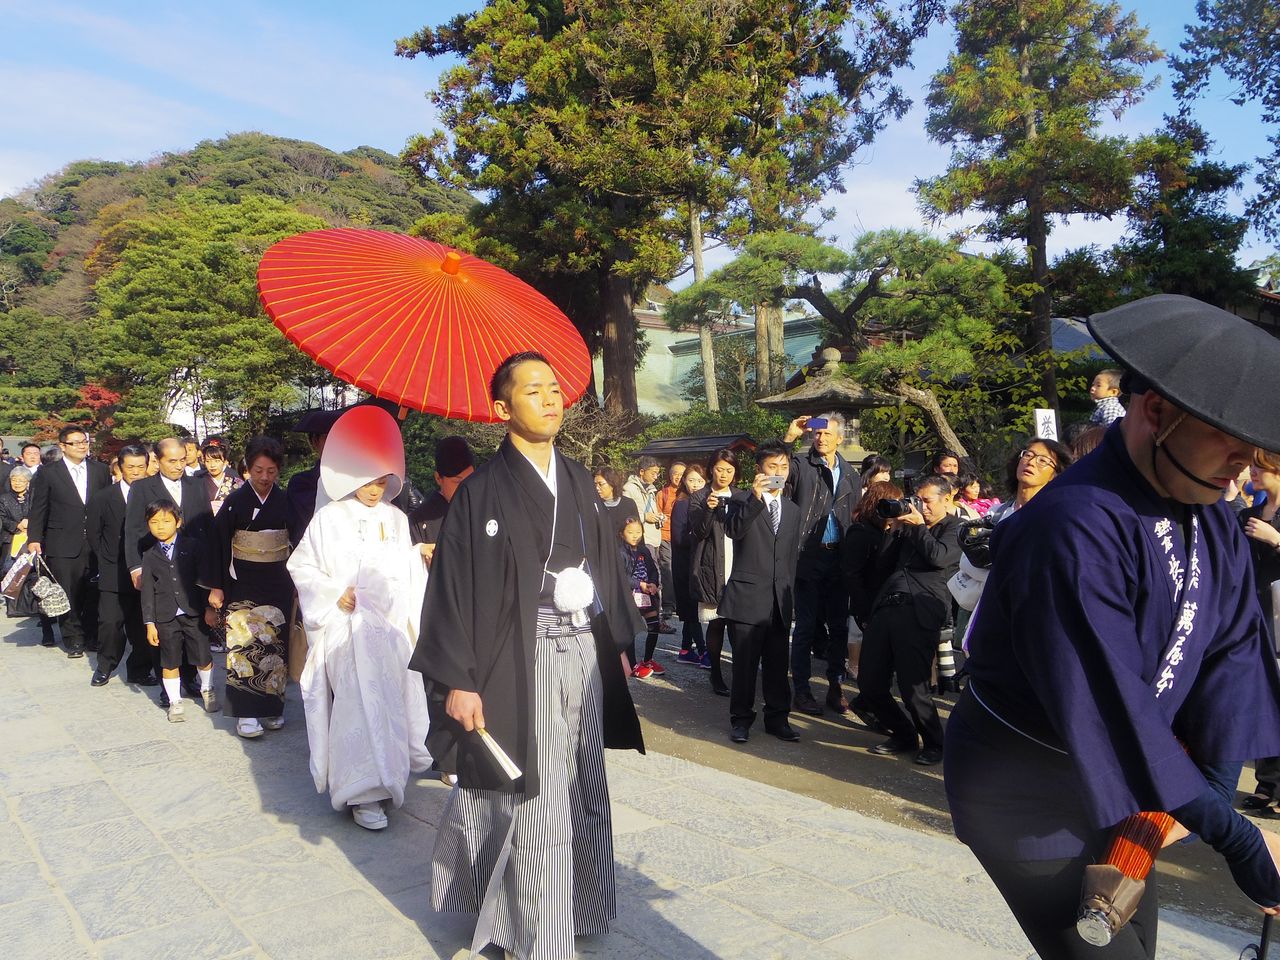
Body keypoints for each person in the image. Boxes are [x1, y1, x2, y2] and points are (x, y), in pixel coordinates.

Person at [945, 294, 1280, 959]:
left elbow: (1233, 651)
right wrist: (1234, 836)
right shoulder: (1072, 525)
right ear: (1155, 411)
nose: (1244, 461)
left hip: (1133, 785)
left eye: (1255, 447)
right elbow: (1107, 701)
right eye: (1227, 438)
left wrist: (1212, 787)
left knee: (1137, 948)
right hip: (1028, 791)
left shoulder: (1209, 507)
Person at [412, 351, 643, 960]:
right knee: (533, 794)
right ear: (501, 409)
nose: (549, 399)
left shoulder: (577, 478)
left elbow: (607, 571)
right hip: (519, 657)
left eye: (554, 389)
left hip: (583, 654)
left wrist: (615, 643)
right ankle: (533, 934)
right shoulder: (480, 492)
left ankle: (581, 906)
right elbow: (453, 589)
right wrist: (458, 679)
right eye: (532, 389)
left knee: (583, 781)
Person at [288, 406, 433, 831]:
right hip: (347, 631)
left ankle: (389, 782)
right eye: (367, 480)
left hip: (387, 631)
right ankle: (360, 792)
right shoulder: (328, 519)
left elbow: (402, 573)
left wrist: (415, 558)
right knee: (354, 706)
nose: (375, 489)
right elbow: (303, 567)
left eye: (381, 480)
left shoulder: (397, 518)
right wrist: (337, 593)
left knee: (388, 705)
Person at [849, 475, 961, 765]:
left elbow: (938, 558)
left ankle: (935, 742)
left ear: (947, 499)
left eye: (927, 501)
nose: (920, 507)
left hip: (921, 610)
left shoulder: (956, 528)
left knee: (914, 687)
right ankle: (903, 733)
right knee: (870, 683)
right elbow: (882, 565)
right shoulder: (908, 528)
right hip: (887, 606)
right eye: (918, 500)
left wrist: (919, 528)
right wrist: (895, 529)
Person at [206, 436, 296, 739]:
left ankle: (271, 707)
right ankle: (245, 713)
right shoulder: (235, 502)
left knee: (275, 645)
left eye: (271, 471)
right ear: (247, 467)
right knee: (244, 644)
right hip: (242, 580)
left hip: (278, 580)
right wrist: (216, 587)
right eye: (258, 470)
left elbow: (297, 543)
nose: (264, 477)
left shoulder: (285, 501)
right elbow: (218, 545)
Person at [719, 440, 801, 744]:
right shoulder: (741, 500)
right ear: (759, 470)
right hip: (747, 598)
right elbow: (733, 531)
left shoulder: (792, 510)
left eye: (783, 466)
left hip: (779, 600)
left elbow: (791, 557)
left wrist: (791, 597)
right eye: (772, 467)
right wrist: (755, 498)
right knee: (744, 665)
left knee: (778, 665)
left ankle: (778, 718)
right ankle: (740, 720)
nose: (778, 472)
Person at [780, 413, 861, 717]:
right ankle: (801, 690)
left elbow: (854, 517)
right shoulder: (801, 465)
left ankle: (835, 687)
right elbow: (774, 471)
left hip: (838, 558)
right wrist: (789, 437)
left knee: (839, 627)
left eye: (827, 434)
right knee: (805, 626)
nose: (821, 438)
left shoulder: (852, 474)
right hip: (807, 556)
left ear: (840, 437)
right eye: (817, 433)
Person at [124, 437, 214, 703]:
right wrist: (135, 567)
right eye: (171, 461)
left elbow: (206, 526)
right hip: (158, 566)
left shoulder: (196, 484)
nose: (178, 466)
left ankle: (190, 678)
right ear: (158, 460)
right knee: (165, 630)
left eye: (182, 460)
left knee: (192, 625)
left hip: (191, 568)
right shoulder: (142, 488)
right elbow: (132, 531)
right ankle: (168, 687)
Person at [26, 426, 111, 657]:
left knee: (94, 591)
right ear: (62, 446)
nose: (82, 446)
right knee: (68, 591)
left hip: (95, 541)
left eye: (85, 441)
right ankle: (73, 638)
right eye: (76, 442)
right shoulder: (48, 473)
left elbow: (107, 506)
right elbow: (39, 508)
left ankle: (92, 635)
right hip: (61, 541)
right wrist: (34, 538)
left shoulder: (100, 470)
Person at [139, 499, 216, 722]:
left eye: (166, 521)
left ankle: (207, 688)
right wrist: (149, 623)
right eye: (154, 522)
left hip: (193, 611)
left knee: (202, 655)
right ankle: (174, 701)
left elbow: (204, 580)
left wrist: (209, 608)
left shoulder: (193, 546)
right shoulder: (149, 555)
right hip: (165, 616)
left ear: (178, 521)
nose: (160, 526)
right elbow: (147, 593)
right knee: (169, 660)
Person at [87, 444, 157, 687]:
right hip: (113, 570)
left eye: (141, 466)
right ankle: (105, 666)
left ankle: (139, 669)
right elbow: (94, 535)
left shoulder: (156, 495)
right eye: (130, 467)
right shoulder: (103, 497)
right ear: (120, 467)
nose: (136, 471)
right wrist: (107, 559)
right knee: (109, 622)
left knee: (142, 624)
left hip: (147, 568)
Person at [1239, 449, 1280, 814]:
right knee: (1262, 699)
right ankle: (1268, 784)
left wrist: (1275, 539)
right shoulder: (1248, 515)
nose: (1251, 471)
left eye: (1258, 466)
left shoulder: (1269, 522)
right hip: (1254, 616)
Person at [689, 449, 745, 696]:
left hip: (739, 565)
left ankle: (742, 673)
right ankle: (716, 674)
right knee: (716, 623)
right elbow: (699, 532)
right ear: (711, 468)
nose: (724, 474)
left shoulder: (742, 497)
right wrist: (709, 508)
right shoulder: (699, 497)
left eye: (729, 470)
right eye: (720, 469)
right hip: (711, 566)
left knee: (738, 625)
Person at [842, 480, 904, 686]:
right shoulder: (860, 532)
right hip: (869, 603)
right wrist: (864, 610)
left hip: (886, 602)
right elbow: (853, 574)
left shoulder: (888, 531)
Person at [408, 435, 475, 568]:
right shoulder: (420, 519)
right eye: (458, 481)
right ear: (438, 478)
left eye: (471, 479)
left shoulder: (482, 508)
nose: (466, 486)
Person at [622, 456, 671, 633]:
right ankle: (653, 618)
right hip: (641, 539)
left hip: (653, 536)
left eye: (658, 473)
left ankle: (654, 618)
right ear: (641, 471)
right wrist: (645, 517)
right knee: (649, 576)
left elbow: (652, 511)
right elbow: (629, 516)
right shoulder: (629, 489)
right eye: (653, 472)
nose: (656, 476)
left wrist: (658, 517)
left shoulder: (652, 489)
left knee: (654, 576)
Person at [669, 464, 707, 665]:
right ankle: (703, 651)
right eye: (691, 480)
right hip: (685, 564)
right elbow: (679, 539)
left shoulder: (701, 502)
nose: (695, 485)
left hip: (695, 563)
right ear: (684, 481)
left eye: (700, 481)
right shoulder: (683, 504)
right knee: (691, 609)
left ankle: (685, 649)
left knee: (690, 606)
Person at [620, 518, 663, 678]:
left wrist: (652, 583)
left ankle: (648, 659)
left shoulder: (644, 550)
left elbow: (653, 569)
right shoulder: (621, 552)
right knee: (630, 629)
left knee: (654, 625)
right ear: (622, 534)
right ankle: (632, 664)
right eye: (630, 532)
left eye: (638, 532)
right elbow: (622, 576)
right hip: (631, 595)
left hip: (647, 594)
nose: (635, 536)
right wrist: (639, 584)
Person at [655, 460, 686, 627]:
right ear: (670, 475)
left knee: (682, 570)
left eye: (682, 475)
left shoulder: (688, 493)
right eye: (676, 474)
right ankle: (668, 605)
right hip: (666, 536)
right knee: (667, 570)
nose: (679, 478)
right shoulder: (663, 493)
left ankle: (682, 603)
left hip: (683, 538)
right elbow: (657, 513)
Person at [592, 466, 641, 538]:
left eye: (600, 484)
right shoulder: (593, 506)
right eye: (595, 484)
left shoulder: (628, 504)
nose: (597, 488)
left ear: (612, 484)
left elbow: (637, 530)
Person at [198, 437, 242, 513]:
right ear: (204, 462)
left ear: (225, 461)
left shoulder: (236, 482)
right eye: (208, 461)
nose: (212, 465)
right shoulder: (198, 481)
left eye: (217, 461)